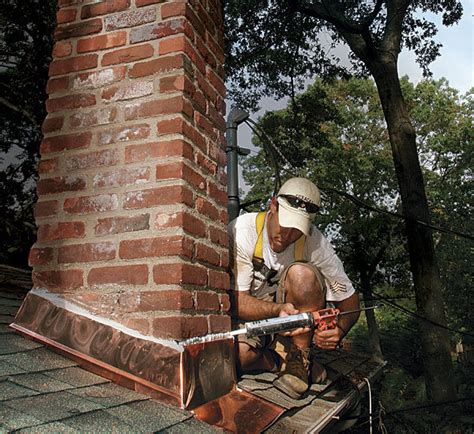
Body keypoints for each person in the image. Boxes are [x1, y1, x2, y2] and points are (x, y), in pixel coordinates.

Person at [228, 177, 360, 399]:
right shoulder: (242, 231)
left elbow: (350, 301)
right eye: (285, 225)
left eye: (297, 230)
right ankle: (282, 360)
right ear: (273, 205)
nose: (288, 236)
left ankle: (299, 360)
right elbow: (237, 302)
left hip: (295, 324)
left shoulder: (315, 242)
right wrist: (276, 311)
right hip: (254, 315)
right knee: (238, 357)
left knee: (302, 274)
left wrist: (341, 329)